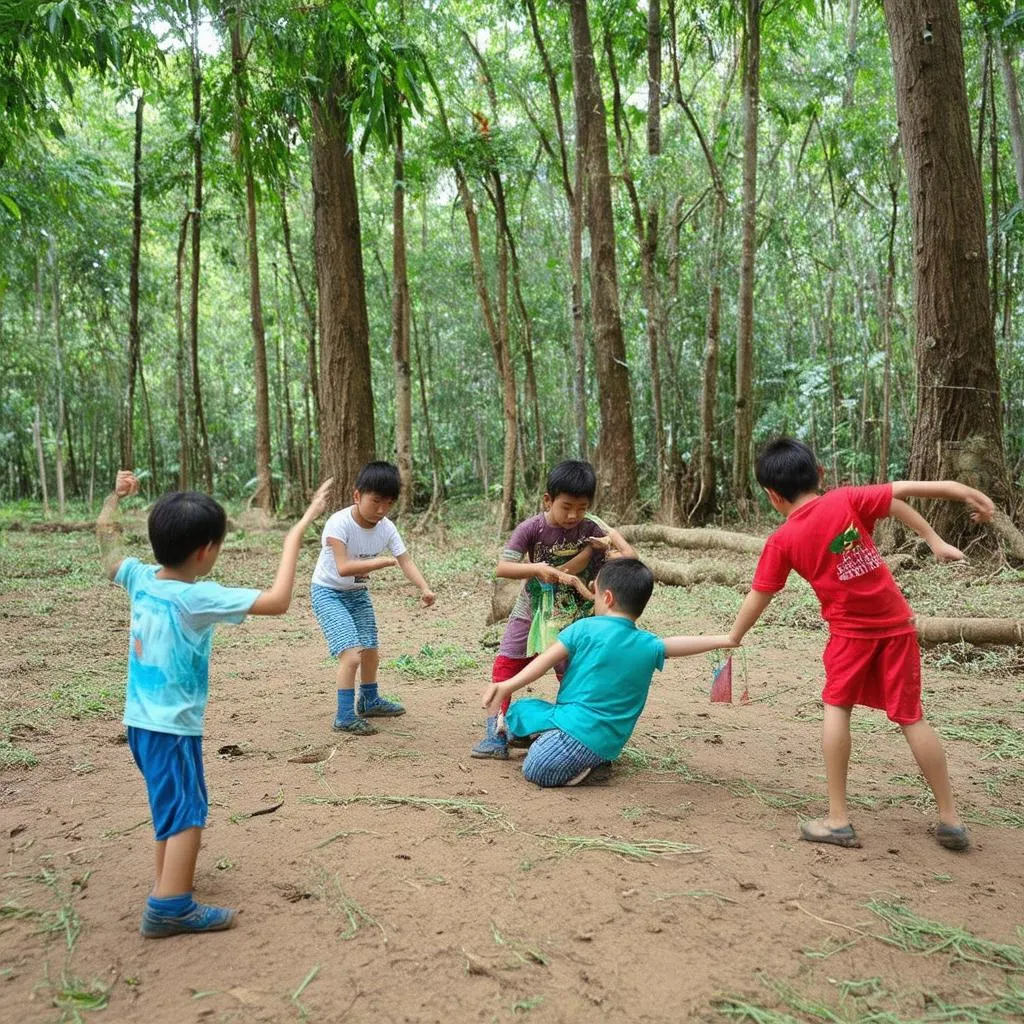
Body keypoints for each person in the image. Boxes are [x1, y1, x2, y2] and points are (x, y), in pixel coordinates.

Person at [726, 438, 995, 851]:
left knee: (837, 707)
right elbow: (899, 496)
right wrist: (948, 509)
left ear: (772, 495)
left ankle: (838, 819)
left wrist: (734, 636)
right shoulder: (846, 499)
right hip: (896, 624)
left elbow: (759, 594)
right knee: (911, 716)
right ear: (819, 475)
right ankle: (950, 818)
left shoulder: (783, 540)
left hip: (850, 634)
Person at [98, 470, 333, 937]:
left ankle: (167, 882)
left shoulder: (140, 578)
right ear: (205, 550)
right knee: (187, 810)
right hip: (172, 728)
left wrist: (114, 499)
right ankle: (170, 906)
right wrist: (297, 530)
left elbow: (107, 543)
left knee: (172, 805)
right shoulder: (195, 597)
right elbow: (279, 601)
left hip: (140, 725)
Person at [480, 558, 736, 786]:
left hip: (580, 735)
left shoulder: (583, 628)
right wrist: (724, 638)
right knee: (521, 711)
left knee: (536, 767)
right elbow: (679, 643)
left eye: (596, 592)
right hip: (595, 732)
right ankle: (565, 748)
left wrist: (508, 684)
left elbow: (542, 663)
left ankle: (588, 767)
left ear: (608, 598)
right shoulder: (648, 643)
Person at [471, 460, 637, 759]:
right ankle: (495, 733)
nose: (574, 515)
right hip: (530, 611)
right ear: (548, 500)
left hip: (575, 616)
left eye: (582, 507)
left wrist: (607, 541)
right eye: (566, 506)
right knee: (507, 663)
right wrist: (535, 569)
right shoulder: (531, 528)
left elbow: (627, 558)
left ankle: (571, 732)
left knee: (572, 673)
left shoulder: (592, 529)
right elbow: (502, 567)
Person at [311, 461, 435, 735]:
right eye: (375, 501)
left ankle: (369, 700)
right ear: (357, 496)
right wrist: (378, 563)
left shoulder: (386, 527)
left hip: (357, 594)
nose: (381, 510)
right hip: (328, 593)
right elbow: (343, 567)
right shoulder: (338, 523)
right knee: (352, 655)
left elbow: (405, 560)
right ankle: (344, 716)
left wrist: (424, 587)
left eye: (388, 503)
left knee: (370, 653)